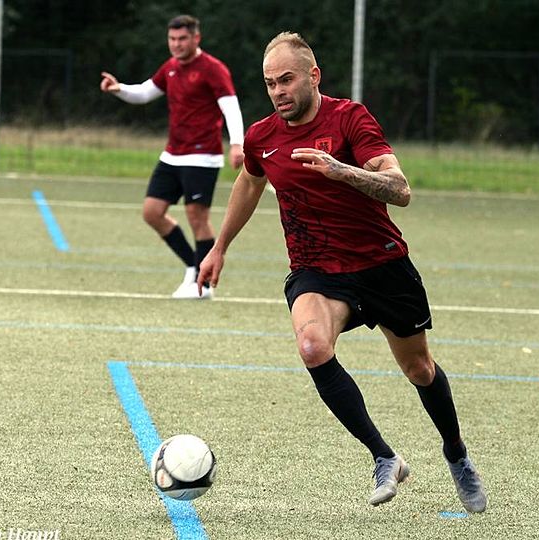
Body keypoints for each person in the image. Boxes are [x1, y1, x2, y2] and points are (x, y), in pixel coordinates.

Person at [197, 32, 487, 511]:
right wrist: (219, 247)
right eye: (270, 83)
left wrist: (342, 171)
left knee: (418, 368)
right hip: (317, 270)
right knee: (312, 346)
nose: (278, 91)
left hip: (382, 264)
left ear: (313, 76)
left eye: (286, 80)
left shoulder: (350, 118)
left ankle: (456, 453)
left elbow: (400, 189)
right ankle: (384, 456)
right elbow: (249, 183)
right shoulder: (263, 137)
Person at [100, 14, 244, 299]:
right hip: (172, 154)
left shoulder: (213, 69)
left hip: (202, 156)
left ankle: (203, 286)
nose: (176, 44)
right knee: (152, 212)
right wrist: (119, 89)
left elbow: (230, 107)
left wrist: (237, 143)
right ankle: (193, 265)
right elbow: (144, 93)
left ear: (196, 38)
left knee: (197, 217)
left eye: (182, 39)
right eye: (172, 39)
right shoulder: (171, 68)